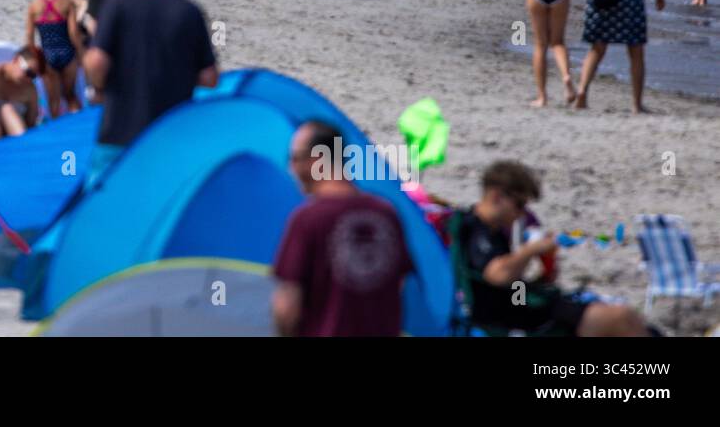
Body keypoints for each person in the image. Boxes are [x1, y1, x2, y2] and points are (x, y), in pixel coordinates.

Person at [456, 160, 650, 335]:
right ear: (497, 196)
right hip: (516, 318)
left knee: (627, 319)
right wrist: (532, 249)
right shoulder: (475, 229)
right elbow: (497, 275)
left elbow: (511, 282)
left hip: (525, 305)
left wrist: (544, 274)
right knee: (621, 318)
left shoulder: (493, 231)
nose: (523, 213)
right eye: (520, 204)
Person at [83, 0, 218, 175]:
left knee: (107, 208)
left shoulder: (118, 2)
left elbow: (96, 61)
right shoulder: (190, 12)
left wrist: (99, 88)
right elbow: (209, 78)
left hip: (119, 132)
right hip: (170, 137)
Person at [272, 120, 413, 337]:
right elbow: (398, 285)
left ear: (318, 160)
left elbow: (287, 305)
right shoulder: (386, 213)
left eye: (295, 159)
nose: (291, 168)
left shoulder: (308, 219)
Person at [25, 0, 84, 115]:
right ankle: (80, 129)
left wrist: (32, 57)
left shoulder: (34, 6)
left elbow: (29, 37)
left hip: (47, 55)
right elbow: (73, 33)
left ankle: (57, 132)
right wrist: (82, 53)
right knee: (70, 96)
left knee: (53, 101)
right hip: (67, 53)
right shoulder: (67, 3)